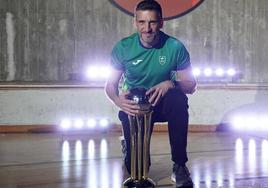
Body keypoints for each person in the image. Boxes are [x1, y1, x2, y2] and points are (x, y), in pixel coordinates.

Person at [105, 0, 197, 187]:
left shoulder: (174, 47)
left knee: (178, 98)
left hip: (163, 103)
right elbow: (110, 85)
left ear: (161, 22)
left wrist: (170, 83)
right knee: (138, 170)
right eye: (142, 22)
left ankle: (179, 165)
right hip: (135, 107)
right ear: (135, 22)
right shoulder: (123, 47)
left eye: (152, 22)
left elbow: (191, 85)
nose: (147, 28)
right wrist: (118, 101)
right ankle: (128, 144)